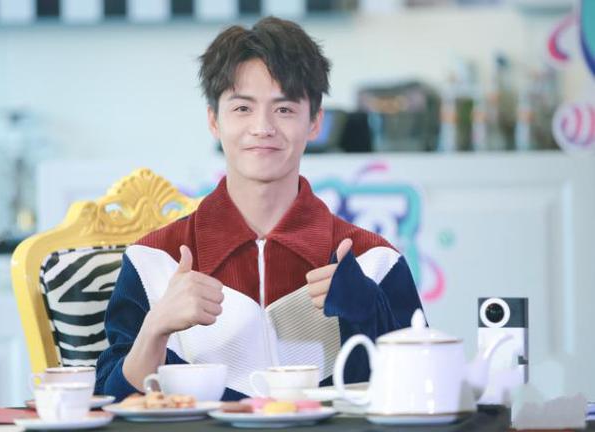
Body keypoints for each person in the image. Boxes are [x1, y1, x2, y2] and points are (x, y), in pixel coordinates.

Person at [95, 16, 423, 401]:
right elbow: (109, 405)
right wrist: (156, 328)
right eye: (242, 108)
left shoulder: (374, 259)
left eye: (284, 109)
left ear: (314, 122)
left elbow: (423, 392)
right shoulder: (153, 260)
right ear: (214, 121)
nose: (263, 127)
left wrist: (369, 310)